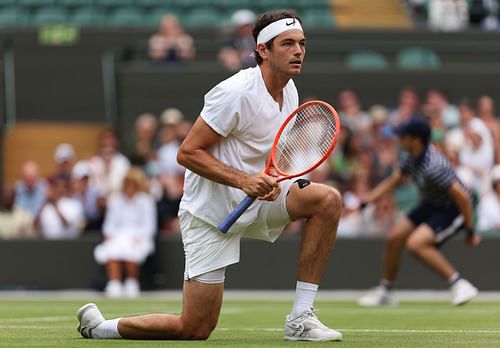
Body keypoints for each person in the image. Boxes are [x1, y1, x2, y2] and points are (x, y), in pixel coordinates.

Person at [77, 10, 343, 342]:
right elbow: (187, 153)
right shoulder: (234, 92)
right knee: (195, 328)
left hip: (257, 200)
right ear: (263, 50)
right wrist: (244, 180)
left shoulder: (290, 93)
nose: (298, 51)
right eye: (287, 44)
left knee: (327, 200)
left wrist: (267, 180)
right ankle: (102, 327)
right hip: (209, 213)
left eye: (302, 44)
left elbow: (266, 154)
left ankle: (301, 318)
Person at [357, 116, 480, 307]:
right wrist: (367, 201)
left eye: (403, 136)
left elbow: (463, 197)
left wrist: (469, 230)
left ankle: (460, 284)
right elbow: (396, 180)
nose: (399, 139)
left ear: (415, 140)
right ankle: (386, 292)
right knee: (394, 238)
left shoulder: (434, 166)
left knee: (416, 245)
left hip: (452, 210)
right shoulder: (409, 156)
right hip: (430, 203)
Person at [94, 167, 156, 298]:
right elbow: (109, 224)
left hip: (138, 238)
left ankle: (131, 283)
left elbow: (149, 226)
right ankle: (114, 283)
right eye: (127, 183)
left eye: (133, 184)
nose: (130, 187)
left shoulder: (146, 201)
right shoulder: (116, 200)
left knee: (131, 251)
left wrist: (138, 237)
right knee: (112, 250)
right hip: (119, 236)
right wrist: (111, 235)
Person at [477, 165, 500, 232]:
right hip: (491, 240)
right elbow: (481, 223)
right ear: (495, 184)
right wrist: (495, 225)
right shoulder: (486, 201)